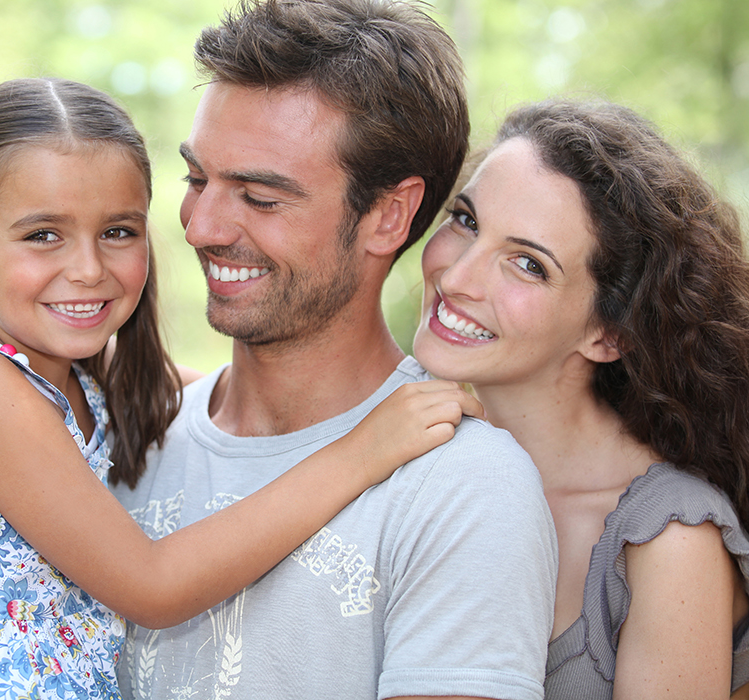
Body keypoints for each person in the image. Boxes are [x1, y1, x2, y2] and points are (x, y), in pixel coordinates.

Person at [0, 77, 482, 700]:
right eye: (43, 235)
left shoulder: (81, 376)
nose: (89, 269)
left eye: (118, 231)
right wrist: (364, 451)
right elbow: (154, 586)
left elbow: (249, 403)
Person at [108, 1, 558, 699]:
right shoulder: (130, 434)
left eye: (260, 197)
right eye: (198, 179)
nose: (200, 227)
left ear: (388, 216)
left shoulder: (462, 486)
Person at [412, 99, 749, 699]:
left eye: (527, 264)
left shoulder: (667, 541)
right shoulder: (408, 448)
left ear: (607, 334)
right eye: (465, 220)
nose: (456, 276)